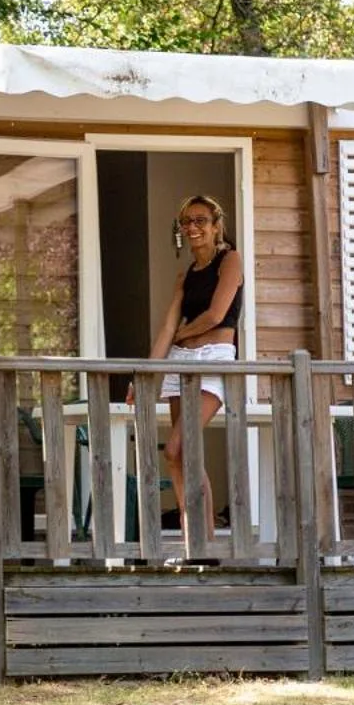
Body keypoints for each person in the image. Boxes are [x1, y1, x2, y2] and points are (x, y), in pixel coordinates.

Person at [130, 194, 244, 540]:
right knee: (184, 457)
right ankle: (196, 539)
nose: (193, 227)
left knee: (178, 447)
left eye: (200, 220)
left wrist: (182, 333)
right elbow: (166, 329)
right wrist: (145, 376)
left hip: (213, 359)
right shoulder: (187, 274)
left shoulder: (230, 260)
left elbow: (215, 315)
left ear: (216, 225)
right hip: (181, 362)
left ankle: (202, 540)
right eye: (186, 222)